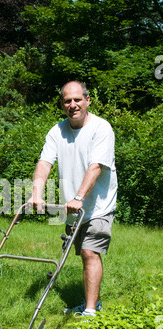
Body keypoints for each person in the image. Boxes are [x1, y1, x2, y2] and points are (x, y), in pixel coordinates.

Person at [28, 81, 117, 317]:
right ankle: (92, 302)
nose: (73, 105)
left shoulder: (102, 128)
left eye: (77, 99)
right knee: (82, 255)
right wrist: (36, 192)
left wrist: (79, 197)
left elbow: (96, 166)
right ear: (62, 104)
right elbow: (44, 163)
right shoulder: (57, 130)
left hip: (98, 205)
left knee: (90, 252)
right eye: (67, 101)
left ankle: (89, 311)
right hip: (73, 208)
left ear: (88, 100)